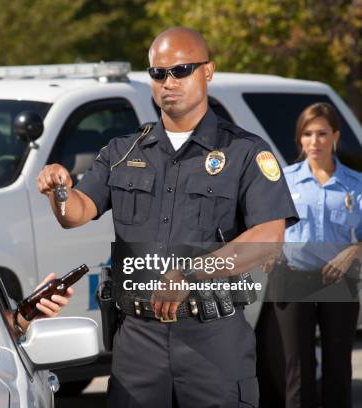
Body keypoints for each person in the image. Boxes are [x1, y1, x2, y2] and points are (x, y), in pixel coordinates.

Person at [37, 27, 298, 407]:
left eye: (181, 70)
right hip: (138, 342)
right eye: (158, 73)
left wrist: (191, 274)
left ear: (207, 72)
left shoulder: (244, 152)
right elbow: (76, 213)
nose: (168, 82)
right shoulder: (122, 152)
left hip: (213, 338)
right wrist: (58, 190)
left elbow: (268, 238)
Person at [273, 102, 361, 408]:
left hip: (340, 284)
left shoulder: (356, 185)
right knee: (298, 369)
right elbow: (266, 226)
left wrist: (353, 251)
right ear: (299, 139)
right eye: (307, 134)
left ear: (335, 136)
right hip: (293, 280)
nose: (314, 141)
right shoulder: (284, 180)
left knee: (338, 367)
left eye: (322, 133)